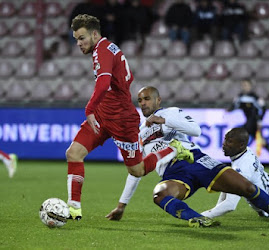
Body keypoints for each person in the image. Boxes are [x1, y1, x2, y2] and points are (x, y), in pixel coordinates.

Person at [106, 86, 269, 227]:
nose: (143, 103)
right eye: (140, 100)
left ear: (158, 100)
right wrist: (121, 205)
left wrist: (164, 120)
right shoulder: (140, 134)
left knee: (247, 188)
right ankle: (198, 218)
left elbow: (196, 130)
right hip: (174, 174)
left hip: (197, 160)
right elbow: (135, 171)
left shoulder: (171, 113)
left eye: (147, 98)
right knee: (160, 194)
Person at [67, 15, 191, 220]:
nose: (78, 43)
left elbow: (104, 82)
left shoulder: (102, 51)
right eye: (76, 39)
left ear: (95, 34)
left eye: (81, 38)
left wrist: (89, 108)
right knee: (73, 153)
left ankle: (172, 148)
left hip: (122, 120)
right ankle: (73, 209)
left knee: (137, 170)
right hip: (103, 114)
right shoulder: (107, 48)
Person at [202, 127, 269, 219]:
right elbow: (230, 185)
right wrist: (217, 207)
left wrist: (202, 216)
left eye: (229, 142)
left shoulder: (242, 168)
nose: (224, 144)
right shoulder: (247, 151)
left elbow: (230, 205)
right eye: (225, 139)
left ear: (241, 145)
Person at [228, 79, 269, 168]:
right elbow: (235, 106)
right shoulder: (240, 97)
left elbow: (264, 108)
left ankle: (240, 161)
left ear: (250, 86)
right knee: (260, 142)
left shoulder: (254, 97)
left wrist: (260, 120)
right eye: (243, 85)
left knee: (242, 139)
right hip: (248, 123)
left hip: (254, 123)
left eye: (246, 85)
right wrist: (229, 110)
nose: (245, 87)